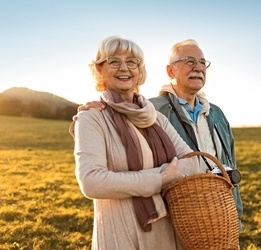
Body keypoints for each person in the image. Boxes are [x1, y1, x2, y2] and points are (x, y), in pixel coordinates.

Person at [75, 38, 244, 235]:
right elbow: (110, 130)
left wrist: (235, 211)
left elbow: (226, 162)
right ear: (171, 71)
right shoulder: (154, 110)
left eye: (202, 62)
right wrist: (163, 177)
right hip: (174, 218)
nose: (197, 67)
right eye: (189, 61)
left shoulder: (217, 113)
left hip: (219, 212)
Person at [72, 36, 200, 250]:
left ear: (140, 71)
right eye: (114, 61)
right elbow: (92, 181)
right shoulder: (91, 117)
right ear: (100, 70)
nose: (124, 68)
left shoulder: (156, 118)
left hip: (167, 231)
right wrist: (160, 179)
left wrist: (150, 178)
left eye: (132, 62)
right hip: (121, 233)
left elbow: (192, 162)